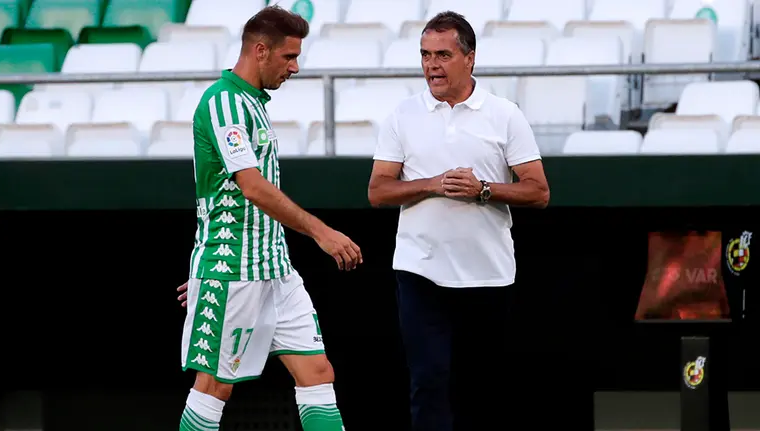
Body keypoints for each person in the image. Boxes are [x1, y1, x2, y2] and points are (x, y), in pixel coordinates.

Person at [176, 6, 361, 431]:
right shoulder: (223, 102)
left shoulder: (252, 103)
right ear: (260, 51)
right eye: (289, 57)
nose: (295, 67)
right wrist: (322, 232)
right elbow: (252, 187)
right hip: (233, 267)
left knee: (318, 374)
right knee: (214, 386)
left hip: (275, 269)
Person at [367, 11, 550, 431]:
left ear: (470, 59)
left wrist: (483, 189)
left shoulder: (504, 114)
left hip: (487, 275)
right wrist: (432, 183)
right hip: (421, 271)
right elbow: (378, 191)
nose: (432, 65)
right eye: (425, 55)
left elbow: (538, 191)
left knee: (479, 389)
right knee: (428, 382)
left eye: (443, 54)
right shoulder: (403, 115)